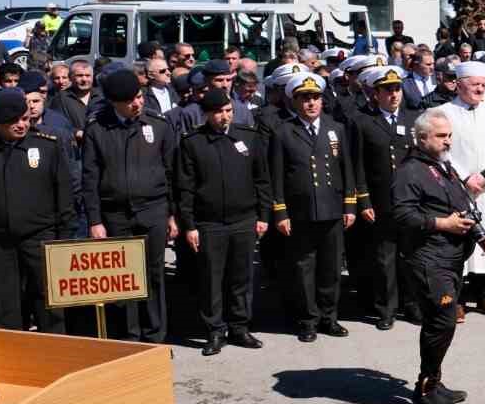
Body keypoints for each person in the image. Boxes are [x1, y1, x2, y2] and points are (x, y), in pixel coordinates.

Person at [391, 109, 485, 404]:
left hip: (451, 256)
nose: (448, 141)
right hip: (429, 259)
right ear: (422, 139)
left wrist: (480, 235)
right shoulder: (410, 171)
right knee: (442, 321)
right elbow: (402, 214)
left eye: (449, 135)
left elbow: (461, 203)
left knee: (442, 322)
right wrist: (442, 224)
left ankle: (434, 379)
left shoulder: (443, 165)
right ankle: (426, 388)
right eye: (441, 136)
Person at [82, 68, 178, 342]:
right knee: (123, 279)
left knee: (154, 274)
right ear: (114, 103)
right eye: (130, 101)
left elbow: (171, 172)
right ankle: (129, 338)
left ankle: (155, 337)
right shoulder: (97, 129)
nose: (137, 104)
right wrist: (95, 220)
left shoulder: (158, 124)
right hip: (115, 215)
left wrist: (172, 215)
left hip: (153, 210)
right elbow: (90, 177)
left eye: (139, 97)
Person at [175, 88, 269, 355]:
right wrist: (189, 225)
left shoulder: (248, 137)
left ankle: (240, 327)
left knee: (242, 277)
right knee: (211, 279)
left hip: (244, 219)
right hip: (210, 223)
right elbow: (185, 189)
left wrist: (263, 216)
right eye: (218, 112)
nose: (224, 116)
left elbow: (262, 180)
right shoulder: (193, 142)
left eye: (228, 111)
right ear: (206, 114)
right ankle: (215, 330)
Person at [0, 89, 74, 333]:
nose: (21, 125)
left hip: (41, 236)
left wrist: (64, 238)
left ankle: (53, 348)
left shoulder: (47, 146)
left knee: (48, 301)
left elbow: (64, 194)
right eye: (13, 121)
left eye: (25, 119)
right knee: (4, 304)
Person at [268, 72, 357, 342]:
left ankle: (329, 317)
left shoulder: (335, 128)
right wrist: (280, 212)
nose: (311, 103)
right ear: (294, 101)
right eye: (305, 98)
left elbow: (347, 169)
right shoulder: (283, 132)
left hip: (332, 209)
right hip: (300, 212)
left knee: (331, 267)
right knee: (304, 268)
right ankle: (308, 320)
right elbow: (276, 176)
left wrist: (350, 205)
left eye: (315, 97)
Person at [437, 61, 485, 317]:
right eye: (474, 85)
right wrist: (465, 177)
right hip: (457, 188)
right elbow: (442, 151)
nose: (480, 89)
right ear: (459, 85)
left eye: (483, 84)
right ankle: (457, 300)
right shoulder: (444, 112)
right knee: (458, 242)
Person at [346, 66, 417, 329]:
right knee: (384, 258)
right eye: (388, 90)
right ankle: (386, 309)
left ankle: (412, 304)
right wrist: (363, 200)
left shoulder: (412, 118)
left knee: (410, 255)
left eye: (397, 89)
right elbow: (357, 166)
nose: (394, 94)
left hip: (409, 200)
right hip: (380, 200)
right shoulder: (362, 121)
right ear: (376, 94)